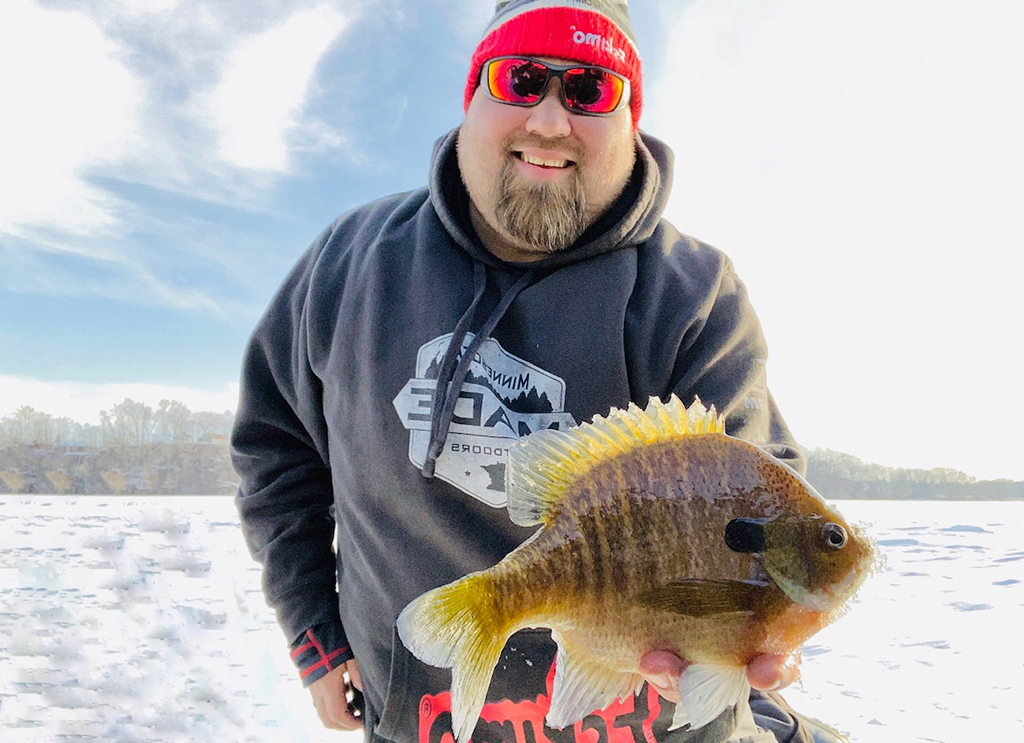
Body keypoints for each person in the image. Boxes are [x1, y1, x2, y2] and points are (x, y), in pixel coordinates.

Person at [232, 2, 838, 742]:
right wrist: (314, 634)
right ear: (472, 97)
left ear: (630, 118)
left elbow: (750, 485)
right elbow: (276, 448)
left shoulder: (696, 293)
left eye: (589, 89)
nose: (550, 121)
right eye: (520, 79)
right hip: (418, 716)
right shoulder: (351, 266)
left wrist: (755, 650)